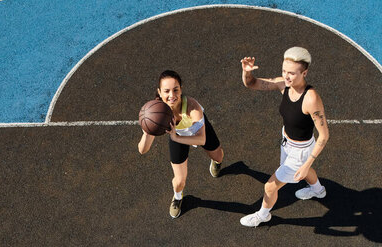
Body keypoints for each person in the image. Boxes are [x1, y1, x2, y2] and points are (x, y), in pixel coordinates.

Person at [240, 47, 329, 227]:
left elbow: (324, 136)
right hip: (286, 142)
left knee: (270, 186)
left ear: (304, 73)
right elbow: (252, 83)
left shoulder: (311, 99)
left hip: (301, 152)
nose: (286, 76)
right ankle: (319, 190)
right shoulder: (283, 85)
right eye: (284, 71)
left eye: (291, 73)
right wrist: (246, 72)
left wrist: (307, 163)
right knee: (300, 173)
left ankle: (263, 215)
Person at [138, 70, 224, 219]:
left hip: (192, 133)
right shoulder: (156, 113)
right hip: (177, 136)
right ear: (159, 92)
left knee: (219, 156)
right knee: (179, 181)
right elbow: (142, 150)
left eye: (175, 90)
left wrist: (176, 137)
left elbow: (201, 139)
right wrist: (147, 131)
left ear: (181, 89)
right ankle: (178, 197)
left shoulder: (192, 107)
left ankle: (216, 162)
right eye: (166, 91)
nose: (172, 95)